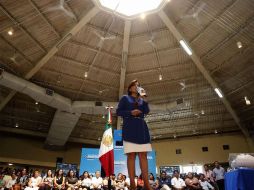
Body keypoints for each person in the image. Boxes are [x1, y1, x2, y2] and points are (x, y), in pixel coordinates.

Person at [116, 80, 152, 190]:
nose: (137, 87)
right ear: (130, 88)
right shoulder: (125, 98)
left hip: (142, 128)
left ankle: (147, 184)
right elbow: (118, 112)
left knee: (143, 156)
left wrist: (144, 98)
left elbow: (146, 111)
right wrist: (130, 113)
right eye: (135, 85)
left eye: (138, 85)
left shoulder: (142, 100)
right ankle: (132, 184)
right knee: (131, 156)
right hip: (130, 127)